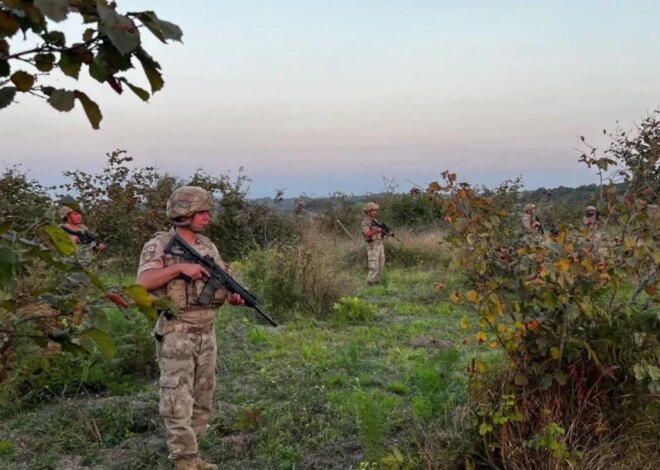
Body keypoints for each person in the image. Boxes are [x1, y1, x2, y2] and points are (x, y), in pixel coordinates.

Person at [136, 186, 245, 470]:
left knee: (203, 395)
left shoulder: (207, 246)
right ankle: (183, 460)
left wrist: (233, 295)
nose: (207, 217)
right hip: (177, 330)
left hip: (206, 330)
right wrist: (178, 269)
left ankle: (193, 455)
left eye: (207, 211)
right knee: (177, 396)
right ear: (184, 214)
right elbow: (142, 283)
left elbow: (220, 281)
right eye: (201, 212)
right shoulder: (159, 245)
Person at [361, 202, 392, 285]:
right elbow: (367, 233)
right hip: (372, 245)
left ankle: (377, 281)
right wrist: (376, 230)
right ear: (368, 212)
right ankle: (370, 282)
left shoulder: (375, 221)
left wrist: (386, 233)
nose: (374, 212)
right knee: (373, 264)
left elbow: (380, 232)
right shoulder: (366, 222)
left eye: (375, 210)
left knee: (381, 264)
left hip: (379, 243)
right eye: (372, 210)